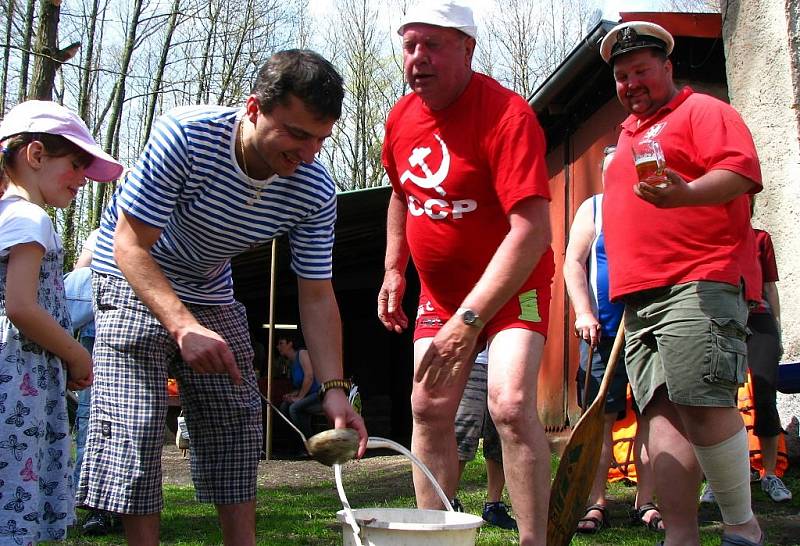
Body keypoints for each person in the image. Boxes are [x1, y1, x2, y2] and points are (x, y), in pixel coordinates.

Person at [76, 49, 368, 546]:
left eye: (321, 138)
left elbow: (316, 296)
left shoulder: (314, 189)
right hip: (131, 276)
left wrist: (335, 388)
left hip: (210, 288)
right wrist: (182, 326)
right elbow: (130, 246)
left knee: (235, 416)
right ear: (254, 109)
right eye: (297, 134)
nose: (309, 154)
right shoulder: (186, 136)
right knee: (139, 426)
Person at [377, 2, 555, 543]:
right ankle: (433, 535)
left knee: (510, 404)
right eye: (410, 45)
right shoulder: (401, 117)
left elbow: (532, 231)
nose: (418, 58)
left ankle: (533, 539)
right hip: (440, 293)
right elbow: (402, 195)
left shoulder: (507, 116)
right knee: (427, 408)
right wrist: (393, 269)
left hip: (512, 291)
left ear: (468, 49)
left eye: (433, 45)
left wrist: (470, 319)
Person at [599, 21, 765, 546]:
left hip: (700, 279)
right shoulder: (625, 137)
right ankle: (681, 535)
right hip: (641, 298)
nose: (631, 83)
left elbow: (740, 172)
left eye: (641, 71)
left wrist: (687, 193)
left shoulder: (704, 112)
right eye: (622, 76)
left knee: (702, 401)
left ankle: (742, 527)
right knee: (659, 417)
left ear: (668, 68)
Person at [0, 100, 122, 545]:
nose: (82, 179)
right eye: (75, 164)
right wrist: (75, 353)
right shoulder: (30, 218)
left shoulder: (9, 216)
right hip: (19, 377)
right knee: (15, 491)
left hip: (23, 373)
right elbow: (21, 307)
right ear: (35, 155)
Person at [563, 145, 662, 534]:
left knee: (653, 415)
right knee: (598, 420)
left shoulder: (654, 205)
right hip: (602, 331)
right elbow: (574, 261)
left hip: (650, 330)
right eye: (611, 172)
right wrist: (583, 312)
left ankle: (647, 502)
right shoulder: (594, 209)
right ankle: (595, 503)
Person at [701, 208, 792, 505]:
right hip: (724, 320)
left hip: (759, 321)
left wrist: (776, 330)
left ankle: (769, 474)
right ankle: (719, 480)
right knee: (721, 400)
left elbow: (769, 287)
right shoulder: (709, 240)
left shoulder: (761, 239)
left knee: (765, 397)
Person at [64, 228, 116, 536]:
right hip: (93, 340)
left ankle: (124, 504)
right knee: (91, 421)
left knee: (130, 424)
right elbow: (76, 283)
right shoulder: (99, 235)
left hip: (136, 340)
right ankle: (94, 506)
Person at [453, 347, 517, 530]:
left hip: (506, 359)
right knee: (463, 431)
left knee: (500, 434)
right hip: (471, 358)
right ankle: (447, 500)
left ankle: (493, 506)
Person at [276, 334, 322, 440]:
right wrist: (292, 394)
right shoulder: (291, 362)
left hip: (318, 394)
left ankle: (310, 442)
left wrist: (299, 397)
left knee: (294, 408)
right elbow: (301, 385)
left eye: (281, 343)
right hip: (308, 395)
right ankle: (295, 441)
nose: (278, 347)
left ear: (290, 344)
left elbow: (309, 376)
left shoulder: (302, 353)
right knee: (284, 406)